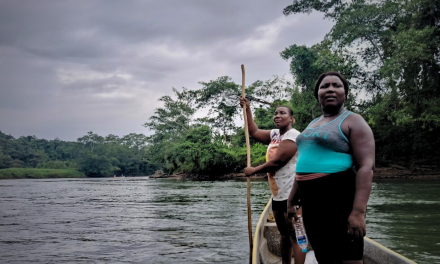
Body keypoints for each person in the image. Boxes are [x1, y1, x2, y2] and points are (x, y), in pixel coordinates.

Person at [287, 71, 375, 264]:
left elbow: (366, 167)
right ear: (317, 93)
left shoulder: (353, 120)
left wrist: (358, 212)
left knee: (349, 258)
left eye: (336, 85)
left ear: (345, 93)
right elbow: (304, 164)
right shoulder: (312, 124)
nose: (330, 89)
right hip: (311, 203)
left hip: (340, 199)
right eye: (324, 86)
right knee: (323, 255)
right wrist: (292, 199)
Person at [240, 97, 306, 264]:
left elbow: (277, 162)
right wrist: (247, 108)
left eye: (282, 113)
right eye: (275, 113)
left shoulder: (293, 135)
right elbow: (253, 132)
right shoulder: (275, 134)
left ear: (292, 119)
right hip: (278, 194)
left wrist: (254, 170)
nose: (277, 116)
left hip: (294, 193)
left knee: (296, 235)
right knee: (284, 234)